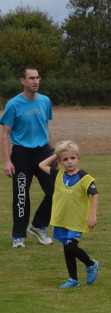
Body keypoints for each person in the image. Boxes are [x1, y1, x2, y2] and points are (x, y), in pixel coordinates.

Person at [2, 66, 55, 248]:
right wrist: (7, 160)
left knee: (56, 191)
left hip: (43, 154)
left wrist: (54, 151)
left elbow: (45, 127)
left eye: (38, 77)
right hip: (21, 154)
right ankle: (18, 236)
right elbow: (5, 134)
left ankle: (38, 226)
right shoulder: (13, 104)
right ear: (23, 81)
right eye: (31, 78)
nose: (35, 81)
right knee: (21, 196)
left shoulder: (45, 101)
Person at [37, 140, 99, 289]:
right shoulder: (58, 174)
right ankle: (73, 279)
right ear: (59, 161)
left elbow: (95, 194)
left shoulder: (83, 176)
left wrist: (93, 215)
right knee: (67, 249)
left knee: (71, 247)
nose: (69, 162)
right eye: (65, 159)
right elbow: (41, 165)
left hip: (77, 220)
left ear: (78, 158)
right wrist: (57, 153)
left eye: (72, 158)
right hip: (62, 219)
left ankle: (91, 264)